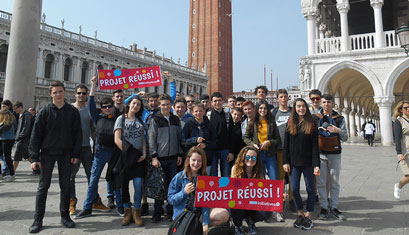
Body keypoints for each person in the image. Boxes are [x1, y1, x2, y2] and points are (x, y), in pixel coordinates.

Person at [28, 81, 82, 233]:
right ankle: (38, 219)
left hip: (66, 154)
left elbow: (77, 134)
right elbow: (36, 135)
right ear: (50, 94)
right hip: (47, 154)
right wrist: (34, 157)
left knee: (65, 187)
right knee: (43, 187)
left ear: (65, 92)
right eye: (55, 92)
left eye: (60, 91)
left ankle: (65, 217)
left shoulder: (72, 111)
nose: (58, 94)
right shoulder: (45, 111)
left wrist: (75, 154)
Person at [74, 76, 123, 220]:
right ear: (101, 108)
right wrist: (93, 85)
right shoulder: (97, 117)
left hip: (114, 152)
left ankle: (120, 206)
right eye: (104, 107)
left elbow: (123, 102)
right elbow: (90, 103)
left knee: (116, 180)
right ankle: (87, 207)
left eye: (109, 106)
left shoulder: (119, 117)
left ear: (113, 106)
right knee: (93, 180)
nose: (107, 109)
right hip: (100, 152)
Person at [168, 146, 229, 235]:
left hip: (198, 214)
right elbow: (170, 199)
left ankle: (198, 229)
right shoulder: (179, 177)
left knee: (224, 214)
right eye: (194, 160)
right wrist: (184, 192)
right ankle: (192, 229)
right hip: (183, 215)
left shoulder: (204, 178)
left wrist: (205, 223)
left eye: (199, 161)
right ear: (188, 160)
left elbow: (205, 203)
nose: (196, 163)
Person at [69, 84, 109, 215]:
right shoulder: (69, 109)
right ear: (75, 94)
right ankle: (72, 202)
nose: (81, 95)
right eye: (79, 93)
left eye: (84, 93)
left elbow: (93, 130)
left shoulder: (89, 111)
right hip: (71, 149)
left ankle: (95, 201)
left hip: (86, 147)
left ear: (87, 95)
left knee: (91, 177)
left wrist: (96, 146)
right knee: (70, 177)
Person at [283, 98, 320, 230]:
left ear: (306, 107)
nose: (301, 109)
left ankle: (309, 215)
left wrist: (316, 164)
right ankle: (300, 213)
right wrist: (285, 161)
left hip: (308, 162)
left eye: (303, 106)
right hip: (293, 163)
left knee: (310, 189)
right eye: (298, 106)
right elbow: (285, 144)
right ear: (295, 108)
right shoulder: (290, 122)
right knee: (294, 189)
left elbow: (315, 146)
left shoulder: (312, 123)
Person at [149, 93, 183, 223]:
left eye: (168, 104)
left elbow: (179, 138)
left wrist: (180, 154)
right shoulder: (155, 119)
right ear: (159, 105)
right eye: (163, 105)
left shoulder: (175, 119)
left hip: (174, 158)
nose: (165, 107)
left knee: (172, 186)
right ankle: (157, 212)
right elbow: (152, 140)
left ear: (171, 105)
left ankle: (170, 211)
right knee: (159, 186)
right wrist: (154, 157)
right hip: (160, 158)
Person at [113, 95, 147, 226]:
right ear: (129, 104)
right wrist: (128, 154)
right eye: (134, 103)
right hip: (125, 157)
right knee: (124, 186)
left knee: (138, 186)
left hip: (138, 157)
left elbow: (142, 139)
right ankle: (127, 212)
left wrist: (144, 153)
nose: (135, 106)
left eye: (138, 104)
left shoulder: (140, 120)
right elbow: (117, 139)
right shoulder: (120, 119)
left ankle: (136, 212)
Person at [313, 94, 348, 221]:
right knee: (321, 182)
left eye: (328, 102)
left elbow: (345, 137)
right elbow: (310, 135)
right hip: (320, 154)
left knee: (334, 182)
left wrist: (337, 130)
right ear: (321, 103)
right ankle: (323, 207)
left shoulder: (339, 118)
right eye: (324, 102)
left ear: (332, 103)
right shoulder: (315, 118)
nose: (326, 104)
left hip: (335, 154)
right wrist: (318, 129)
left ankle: (334, 206)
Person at [230, 146, 272, 235]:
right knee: (234, 203)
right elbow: (233, 189)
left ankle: (251, 221)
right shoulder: (235, 169)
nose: (250, 159)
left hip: (253, 203)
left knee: (267, 211)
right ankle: (238, 226)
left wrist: (278, 197)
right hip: (240, 201)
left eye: (253, 158)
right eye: (247, 157)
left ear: (257, 159)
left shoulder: (259, 171)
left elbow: (264, 190)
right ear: (243, 157)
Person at [243, 100, 281, 181]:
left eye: (265, 108)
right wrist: (253, 144)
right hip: (257, 154)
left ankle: (274, 194)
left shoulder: (271, 123)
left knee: (274, 178)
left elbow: (278, 140)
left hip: (270, 154)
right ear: (257, 109)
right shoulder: (252, 122)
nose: (263, 110)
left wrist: (269, 142)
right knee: (260, 179)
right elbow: (245, 137)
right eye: (260, 108)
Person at [272, 89, 294, 219]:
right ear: (278, 99)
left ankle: (292, 200)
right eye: (281, 97)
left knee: (292, 176)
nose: (284, 99)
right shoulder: (274, 112)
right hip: (279, 149)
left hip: (292, 149)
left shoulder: (293, 112)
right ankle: (280, 200)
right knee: (280, 177)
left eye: (286, 96)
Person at [182, 102, 217, 174]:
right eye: (196, 111)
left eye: (200, 111)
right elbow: (183, 141)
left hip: (207, 160)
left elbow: (215, 142)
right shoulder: (189, 124)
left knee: (205, 182)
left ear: (204, 111)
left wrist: (206, 145)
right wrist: (195, 140)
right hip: (192, 161)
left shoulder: (210, 124)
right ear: (192, 112)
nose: (198, 113)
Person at [208, 92, 234, 177]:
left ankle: (225, 190)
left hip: (225, 149)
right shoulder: (208, 115)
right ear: (211, 102)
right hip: (212, 150)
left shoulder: (227, 115)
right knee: (213, 175)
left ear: (223, 101)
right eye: (215, 101)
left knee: (226, 174)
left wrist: (231, 151)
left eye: (219, 100)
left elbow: (231, 134)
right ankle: (214, 190)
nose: (217, 103)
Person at [393, 100, 409, 200]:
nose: (408, 109)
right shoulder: (398, 121)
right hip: (405, 152)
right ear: (400, 110)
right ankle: (398, 186)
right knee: (408, 175)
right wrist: (399, 152)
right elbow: (397, 138)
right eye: (405, 108)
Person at [12, 101, 32, 172]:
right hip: (21, 139)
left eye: (15, 108)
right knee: (27, 156)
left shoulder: (26, 115)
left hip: (23, 139)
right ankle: (39, 169)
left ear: (20, 107)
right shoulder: (21, 115)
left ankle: (11, 173)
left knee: (16, 157)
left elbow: (26, 127)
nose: (14, 110)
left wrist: (20, 136)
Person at [0, 109, 17, 182]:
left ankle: (11, 174)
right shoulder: (7, 122)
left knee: (7, 157)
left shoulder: (8, 122)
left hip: (7, 140)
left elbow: (1, 129)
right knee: (5, 157)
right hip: (3, 139)